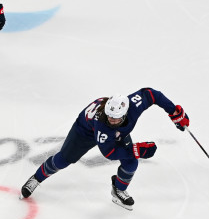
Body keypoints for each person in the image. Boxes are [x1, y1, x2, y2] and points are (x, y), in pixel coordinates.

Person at [20, 88, 190, 210]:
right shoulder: (104, 126)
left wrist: (174, 112)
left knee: (131, 162)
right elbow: (109, 153)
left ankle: (118, 190)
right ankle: (37, 178)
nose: (111, 120)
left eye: (116, 118)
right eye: (109, 116)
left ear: (125, 112)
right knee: (63, 159)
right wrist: (137, 149)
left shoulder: (133, 105)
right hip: (84, 132)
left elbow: (153, 94)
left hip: (115, 134)